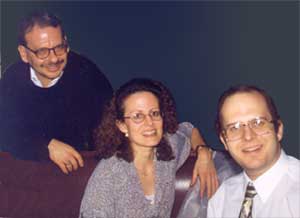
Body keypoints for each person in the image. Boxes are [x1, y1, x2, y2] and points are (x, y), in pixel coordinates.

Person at [79, 78, 218, 218]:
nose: (150, 122)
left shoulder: (168, 150)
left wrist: (203, 152)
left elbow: (188, 130)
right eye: (138, 116)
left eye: (154, 113)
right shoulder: (108, 175)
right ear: (121, 125)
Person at [0, 11, 113, 174]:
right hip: (29, 170)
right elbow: (6, 130)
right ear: (24, 54)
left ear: (66, 43)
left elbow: (107, 135)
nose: (54, 59)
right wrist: (46, 146)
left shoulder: (87, 74)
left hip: (79, 170)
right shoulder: (13, 78)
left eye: (59, 48)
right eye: (42, 52)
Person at [207, 85, 300, 218]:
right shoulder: (221, 198)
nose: (248, 136)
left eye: (258, 123)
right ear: (224, 141)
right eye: (235, 127)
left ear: (278, 130)